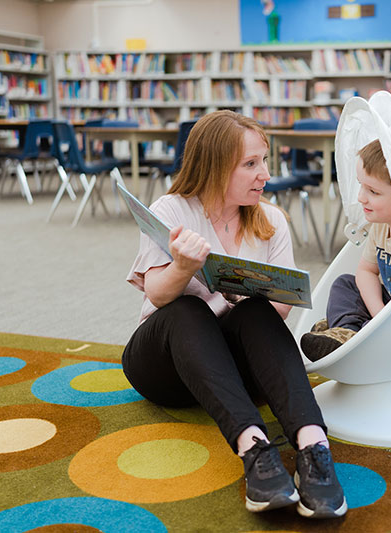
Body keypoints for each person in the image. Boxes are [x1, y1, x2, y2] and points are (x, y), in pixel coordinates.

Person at [121, 110, 346, 519]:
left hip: (235, 372)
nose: (265, 174)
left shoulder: (271, 220)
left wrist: (245, 296)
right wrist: (184, 267)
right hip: (165, 365)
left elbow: (276, 314)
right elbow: (155, 293)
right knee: (185, 307)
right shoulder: (171, 210)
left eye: (264, 161)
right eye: (251, 164)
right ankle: (255, 450)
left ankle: (314, 449)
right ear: (214, 167)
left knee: (257, 309)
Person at [301, 139, 391, 361]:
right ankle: (348, 331)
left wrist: (379, 318)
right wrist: (378, 312)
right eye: (361, 185)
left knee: (377, 311)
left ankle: (349, 328)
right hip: (387, 310)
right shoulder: (380, 226)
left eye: (373, 191)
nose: (361, 197)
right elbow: (365, 272)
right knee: (345, 283)